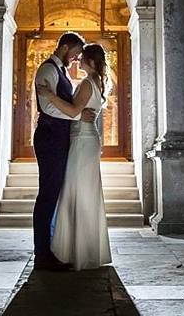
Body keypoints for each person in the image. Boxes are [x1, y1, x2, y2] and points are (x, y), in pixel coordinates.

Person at [37, 43, 113, 271]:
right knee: (82, 192)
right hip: (85, 138)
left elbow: (72, 112)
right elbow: (79, 112)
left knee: (77, 192)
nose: (77, 61)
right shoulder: (96, 81)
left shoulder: (87, 83)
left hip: (82, 141)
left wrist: (50, 94)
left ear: (89, 61)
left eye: (81, 58)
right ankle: (82, 248)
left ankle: (77, 250)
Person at [31, 32, 96, 271]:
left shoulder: (62, 71)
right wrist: (78, 114)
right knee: (48, 194)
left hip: (59, 136)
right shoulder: (47, 70)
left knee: (55, 192)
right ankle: (42, 254)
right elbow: (48, 106)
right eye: (76, 52)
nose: (77, 57)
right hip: (49, 136)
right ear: (65, 47)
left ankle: (51, 249)